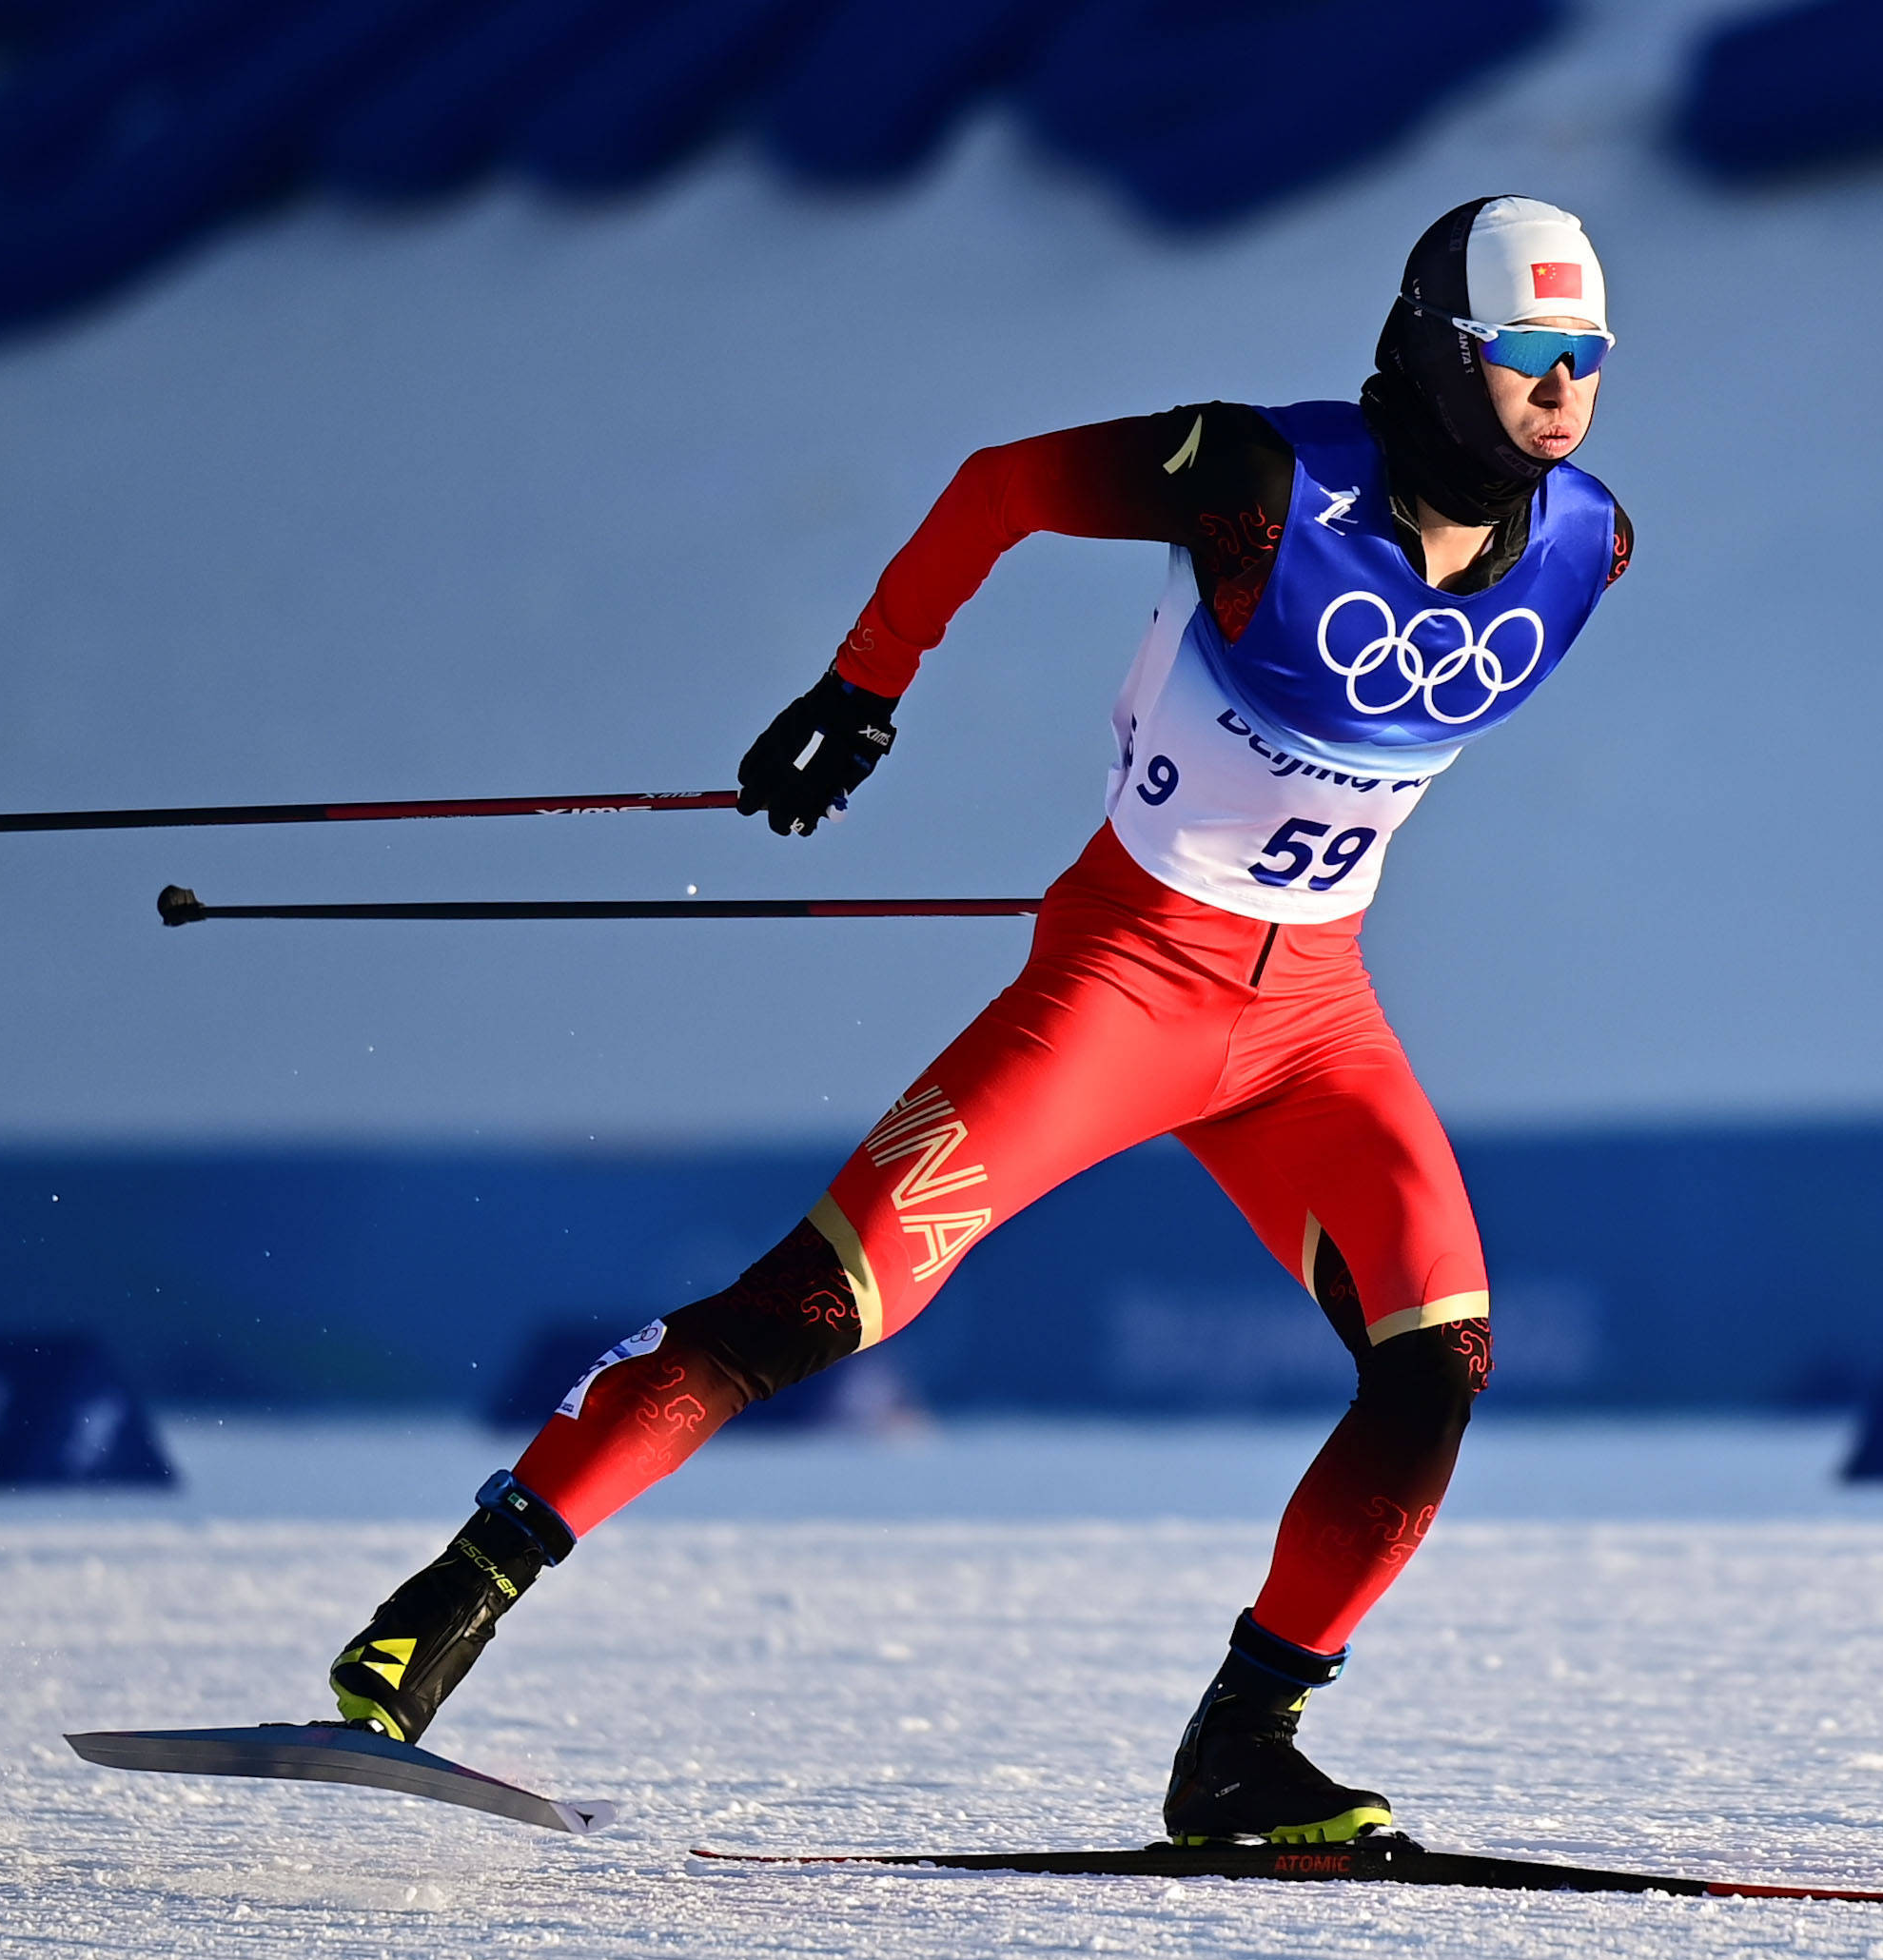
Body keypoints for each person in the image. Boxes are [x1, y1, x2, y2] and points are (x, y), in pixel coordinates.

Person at [325, 196, 1636, 1846]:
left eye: (1585, 357)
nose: (1561, 390)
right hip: (1123, 983)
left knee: (1432, 1368)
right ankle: (452, 1595)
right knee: (811, 1301)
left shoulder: (1590, 540)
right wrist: (859, 690)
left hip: (1312, 1020)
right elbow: (1003, 485)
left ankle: (1241, 1750)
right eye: (1526, 353)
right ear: (1439, 353)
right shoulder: (1258, 479)